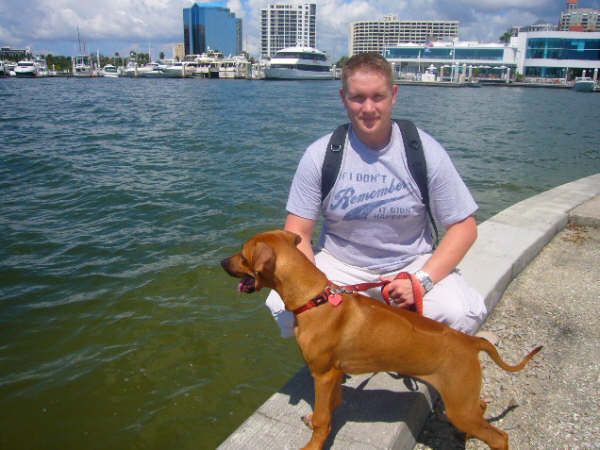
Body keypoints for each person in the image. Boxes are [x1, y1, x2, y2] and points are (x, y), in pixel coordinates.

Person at [266, 52, 486, 337]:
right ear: (343, 98)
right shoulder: (320, 155)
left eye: (378, 97)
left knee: (461, 311)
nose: (368, 108)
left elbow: (464, 227)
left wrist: (420, 282)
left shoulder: (423, 150)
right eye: (358, 98)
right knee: (282, 305)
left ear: (393, 95)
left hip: (410, 262)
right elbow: (297, 233)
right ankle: (334, 354)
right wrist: (318, 287)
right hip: (341, 265)